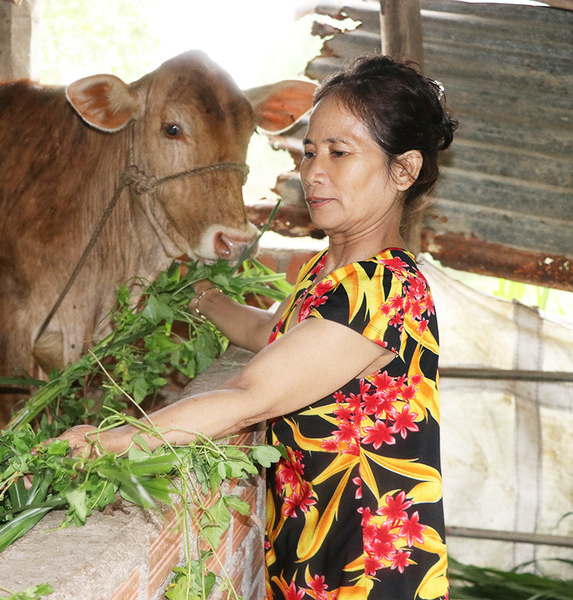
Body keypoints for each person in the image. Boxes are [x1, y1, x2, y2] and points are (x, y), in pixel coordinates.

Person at [59, 55, 457, 600]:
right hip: (316, 554)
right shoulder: (332, 273)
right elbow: (274, 332)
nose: (313, 171)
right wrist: (200, 295)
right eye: (310, 151)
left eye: (340, 153)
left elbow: (251, 395)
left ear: (403, 170)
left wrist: (108, 442)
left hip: (368, 569)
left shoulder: (385, 287)